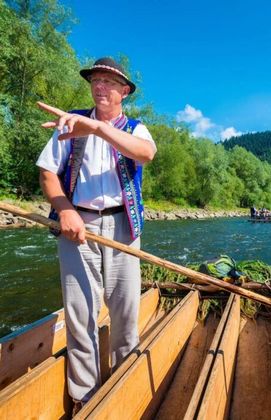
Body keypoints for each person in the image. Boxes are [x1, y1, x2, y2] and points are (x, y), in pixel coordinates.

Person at [36, 57, 157, 410]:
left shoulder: (135, 128)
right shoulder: (69, 124)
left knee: (124, 310)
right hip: (77, 225)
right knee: (80, 312)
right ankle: (84, 397)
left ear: (124, 91)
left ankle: (123, 383)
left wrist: (96, 128)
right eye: (95, 81)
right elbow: (47, 173)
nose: (99, 86)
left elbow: (146, 154)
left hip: (124, 227)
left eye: (108, 81)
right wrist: (65, 210)